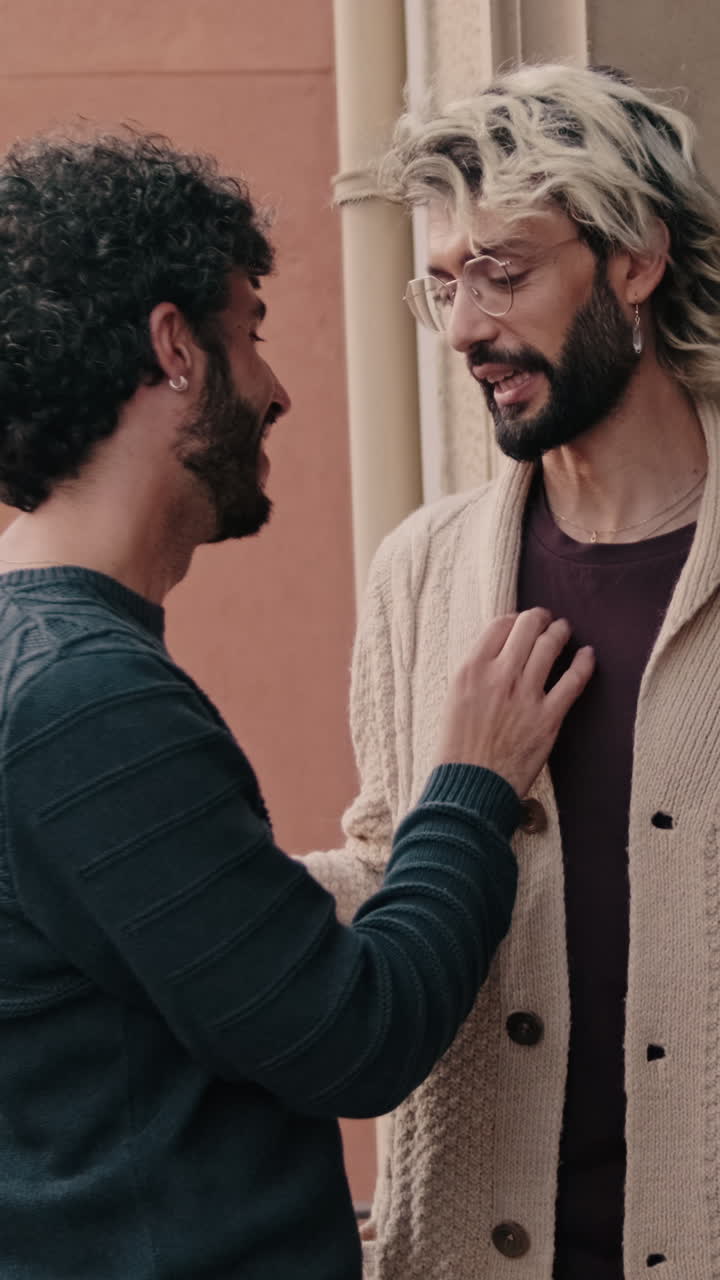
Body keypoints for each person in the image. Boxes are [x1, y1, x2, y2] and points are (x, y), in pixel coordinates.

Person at [0, 129, 592, 1280]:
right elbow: (350, 1038)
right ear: (177, 347)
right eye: (252, 330)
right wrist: (468, 784)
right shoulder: (83, 700)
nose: (276, 386)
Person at [304, 63, 720, 1279]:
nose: (466, 327)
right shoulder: (421, 569)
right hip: (470, 1251)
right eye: (441, 283)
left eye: (504, 271)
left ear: (634, 259)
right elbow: (392, 864)